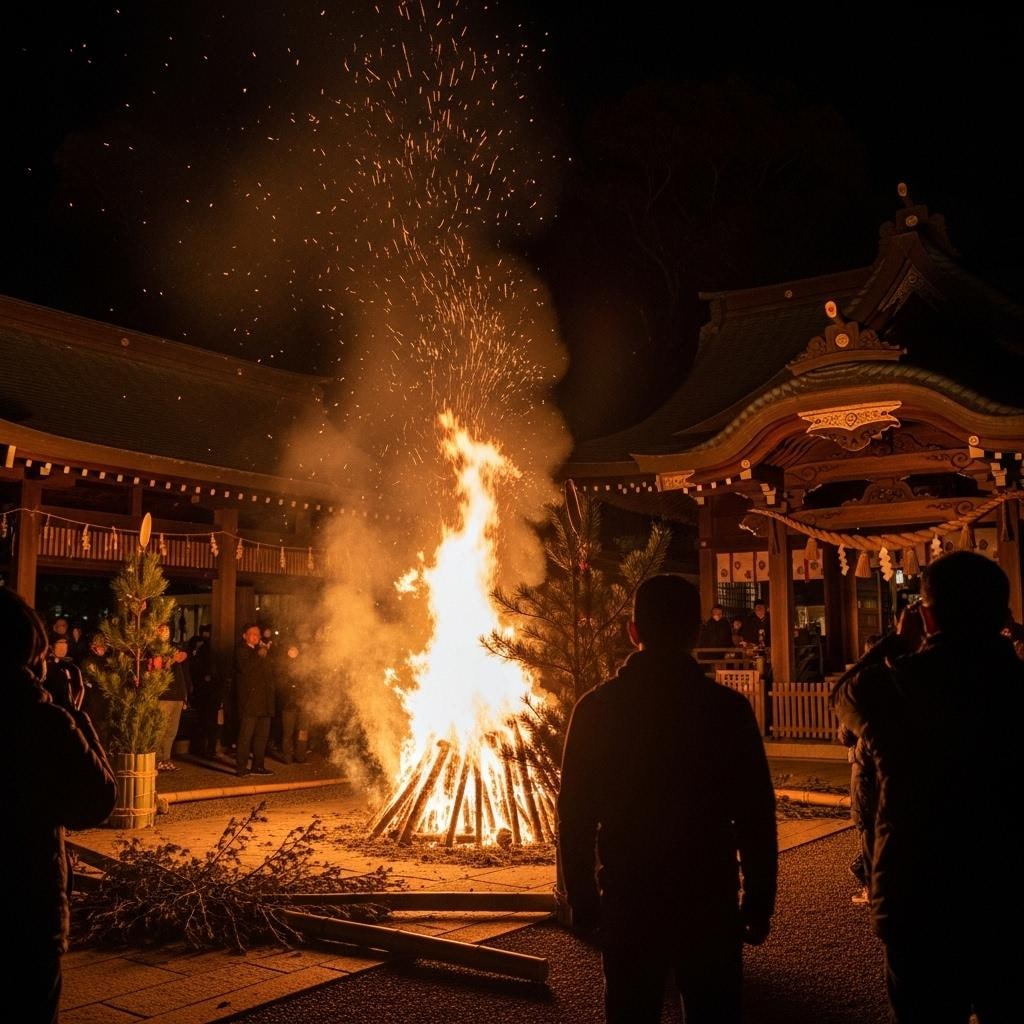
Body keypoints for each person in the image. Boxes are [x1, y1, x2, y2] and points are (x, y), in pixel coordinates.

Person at [557, 574, 777, 1024]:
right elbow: (756, 814)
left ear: (632, 631)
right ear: (695, 631)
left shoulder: (596, 709)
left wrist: (582, 895)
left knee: (631, 1009)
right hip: (708, 892)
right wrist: (758, 899)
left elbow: (574, 812)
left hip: (631, 893)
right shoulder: (726, 710)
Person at [832, 551, 1024, 1023]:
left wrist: (898, 641)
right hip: (1010, 895)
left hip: (919, 895)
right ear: (1002, 615)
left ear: (926, 614)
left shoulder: (900, 687)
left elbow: (844, 696)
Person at [5, 587, 116, 1024]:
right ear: (31, 652)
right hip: (24, 907)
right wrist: (73, 712)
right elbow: (96, 801)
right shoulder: (40, 720)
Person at [233, 623, 275, 776]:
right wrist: (260, 653)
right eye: (252, 634)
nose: (256, 637)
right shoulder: (241, 650)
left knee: (261, 736)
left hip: (264, 701)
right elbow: (246, 669)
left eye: (258, 634)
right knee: (246, 736)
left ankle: (258, 765)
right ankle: (241, 767)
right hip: (249, 701)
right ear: (244, 636)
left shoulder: (261, 651)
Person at [187, 624, 222, 759]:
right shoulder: (205, 649)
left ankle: (206, 748)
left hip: (207, 691)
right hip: (207, 691)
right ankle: (207, 748)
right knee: (207, 721)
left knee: (206, 721)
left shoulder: (205, 649)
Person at [276, 642, 310, 764]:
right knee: (288, 732)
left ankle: (301, 756)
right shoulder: (282, 665)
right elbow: (280, 684)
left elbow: (309, 682)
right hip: (288, 705)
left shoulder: (305, 665)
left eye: (295, 649)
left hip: (303, 704)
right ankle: (287, 757)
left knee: (302, 731)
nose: (293, 652)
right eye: (291, 649)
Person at [42, 634, 85, 715]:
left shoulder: (72, 668)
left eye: (65, 646)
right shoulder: (45, 666)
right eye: (60, 645)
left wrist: (75, 708)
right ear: (51, 647)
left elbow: (80, 688)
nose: (63, 648)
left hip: (67, 709)